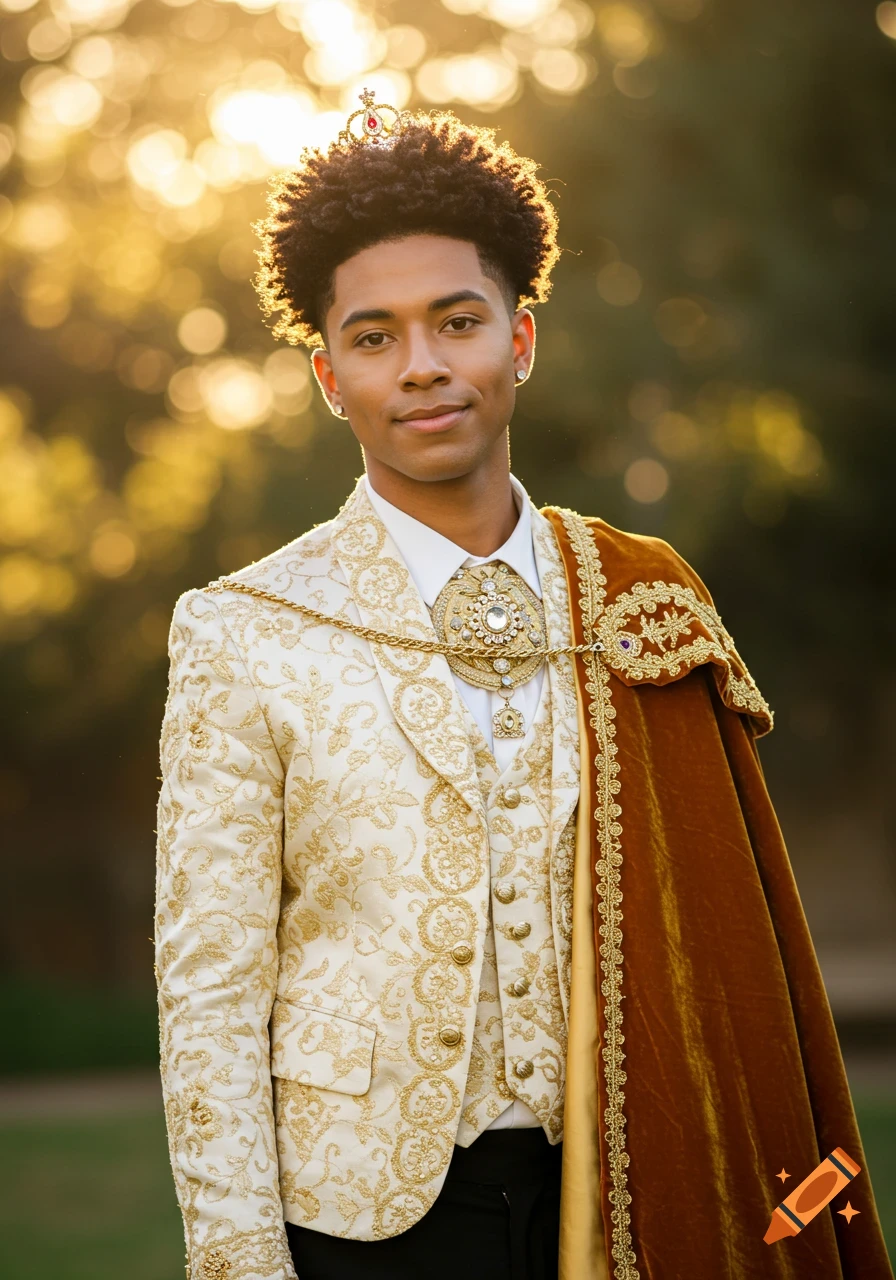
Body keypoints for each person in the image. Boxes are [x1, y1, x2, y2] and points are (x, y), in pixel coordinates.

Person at [154, 95, 893, 1280]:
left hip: (624, 1181)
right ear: (328, 375)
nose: (424, 366)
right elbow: (209, 990)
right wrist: (240, 1259)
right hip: (356, 1218)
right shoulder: (245, 631)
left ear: (520, 340)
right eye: (375, 336)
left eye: (456, 321)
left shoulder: (633, 600)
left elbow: (731, 933)